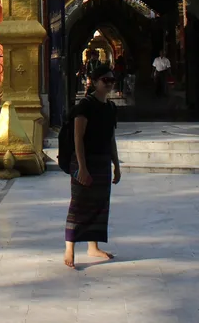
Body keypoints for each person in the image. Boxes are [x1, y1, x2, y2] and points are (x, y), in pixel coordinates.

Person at [64, 62, 121, 269]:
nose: (109, 84)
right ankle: (69, 247)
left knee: (99, 204)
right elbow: (78, 138)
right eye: (105, 80)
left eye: (112, 81)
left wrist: (116, 163)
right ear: (95, 82)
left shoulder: (110, 107)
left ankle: (92, 246)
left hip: (102, 160)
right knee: (79, 203)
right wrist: (82, 167)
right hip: (83, 160)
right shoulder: (84, 106)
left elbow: (111, 138)